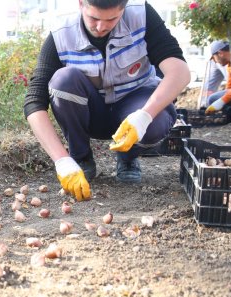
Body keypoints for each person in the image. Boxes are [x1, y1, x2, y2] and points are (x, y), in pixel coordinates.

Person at [23, 0, 190, 201]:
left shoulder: (141, 16)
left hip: (135, 105)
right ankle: (80, 158)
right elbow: (34, 101)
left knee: (156, 122)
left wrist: (145, 116)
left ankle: (128, 157)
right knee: (62, 82)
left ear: (124, 8)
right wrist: (61, 160)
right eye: (93, 18)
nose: (101, 27)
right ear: (81, 4)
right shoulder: (61, 34)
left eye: (112, 19)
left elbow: (179, 71)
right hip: (94, 114)